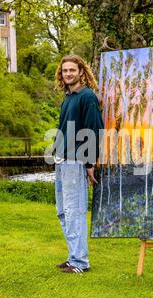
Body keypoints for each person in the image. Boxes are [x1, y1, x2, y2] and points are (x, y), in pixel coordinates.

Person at [53, 54, 104, 274]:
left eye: (72, 70)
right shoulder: (68, 97)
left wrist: (90, 163)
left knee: (75, 211)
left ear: (81, 72)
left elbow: (94, 130)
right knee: (63, 211)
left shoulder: (87, 97)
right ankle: (73, 255)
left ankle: (80, 262)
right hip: (62, 159)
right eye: (65, 71)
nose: (68, 74)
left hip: (76, 161)